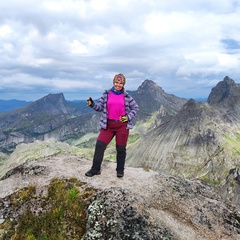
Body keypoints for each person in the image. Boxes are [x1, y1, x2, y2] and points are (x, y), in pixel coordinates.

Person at [85, 73, 139, 178]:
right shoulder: (106, 94)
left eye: (121, 83)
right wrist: (92, 104)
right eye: (116, 82)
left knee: (120, 149)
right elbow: (100, 108)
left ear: (123, 84)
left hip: (122, 126)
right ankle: (95, 169)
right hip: (108, 126)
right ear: (113, 82)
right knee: (100, 145)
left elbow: (135, 108)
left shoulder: (127, 96)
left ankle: (120, 170)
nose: (118, 85)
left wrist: (128, 117)